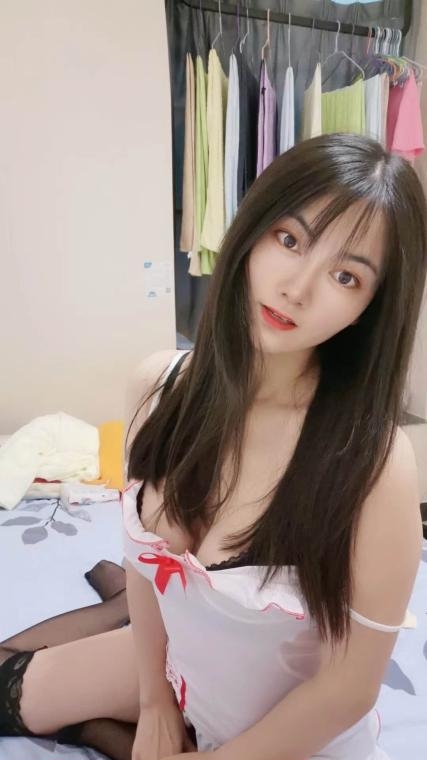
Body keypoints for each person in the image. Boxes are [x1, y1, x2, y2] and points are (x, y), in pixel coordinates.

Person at [0, 133, 426, 760]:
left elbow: (348, 690)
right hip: (177, 667)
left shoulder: (374, 466)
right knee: (9, 686)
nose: (297, 287)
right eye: (290, 239)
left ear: (369, 307)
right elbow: (143, 554)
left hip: (294, 738)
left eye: (345, 275)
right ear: (252, 230)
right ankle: (121, 636)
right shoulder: (158, 386)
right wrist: (154, 702)